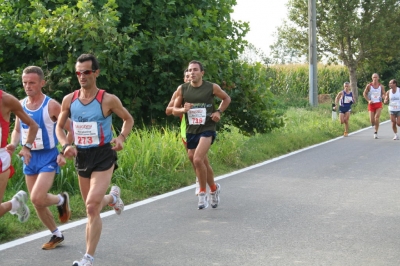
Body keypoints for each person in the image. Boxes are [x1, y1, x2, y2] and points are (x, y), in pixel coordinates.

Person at [55, 54, 134, 266]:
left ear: (96, 73)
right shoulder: (69, 100)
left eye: (86, 72)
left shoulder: (108, 99)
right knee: (95, 205)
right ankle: (113, 198)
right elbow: (59, 128)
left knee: (91, 207)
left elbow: (128, 119)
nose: (82, 76)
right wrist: (65, 146)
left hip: (103, 154)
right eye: (78, 72)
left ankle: (88, 258)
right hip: (81, 155)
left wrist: (121, 137)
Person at [6, 66, 73, 250]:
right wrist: (14, 144)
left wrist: (62, 152)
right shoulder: (20, 105)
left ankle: (60, 200)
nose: (27, 86)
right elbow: (18, 130)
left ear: (42, 83)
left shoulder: (51, 105)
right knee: (38, 203)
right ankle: (56, 234)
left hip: (48, 156)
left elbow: (70, 128)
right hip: (29, 157)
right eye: (25, 83)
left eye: (32, 82)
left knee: (36, 197)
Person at [172, 60, 231, 209]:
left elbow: (226, 98)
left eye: (195, 70)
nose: (192, 72)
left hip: (207, 128)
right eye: (190, 70)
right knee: (198, 160)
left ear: (202, 73)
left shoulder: (211, 87)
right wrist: (183, 110)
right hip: (191, 130)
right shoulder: (183, 89)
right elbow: (173, 110)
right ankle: (214, 189)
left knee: (198, 159)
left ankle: (202, 193)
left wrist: (218, 111)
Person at [0, 89, 38, 223]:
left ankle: (14, 204)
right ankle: (15, 204)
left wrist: (26, 146)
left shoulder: (6, 100)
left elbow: (33, 125)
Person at [166, 69, 202, 195]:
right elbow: (168, 110)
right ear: (184, 79)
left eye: (190, 76)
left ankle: (204, 184)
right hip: (186, 129)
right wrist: (182, 109)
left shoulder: (201, 90)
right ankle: (202, 180)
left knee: (199, 158)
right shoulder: (179, 91)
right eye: (186, 76)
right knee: (192, 157)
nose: (188, 78)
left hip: (201, 128)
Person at [363, 73, 385, 139]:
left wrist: (384, 97)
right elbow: (364, 94)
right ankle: (374, 124)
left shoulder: (381, 86)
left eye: (376, 77)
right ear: (372, 78)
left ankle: (376, 132)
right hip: (371, 104)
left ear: (378, 78)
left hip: (378, 103)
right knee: (372, 120)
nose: (375, 79)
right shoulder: (369, 86)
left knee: (377, 117)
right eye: (373, 77)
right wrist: (368, 100)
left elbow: (383, 93)